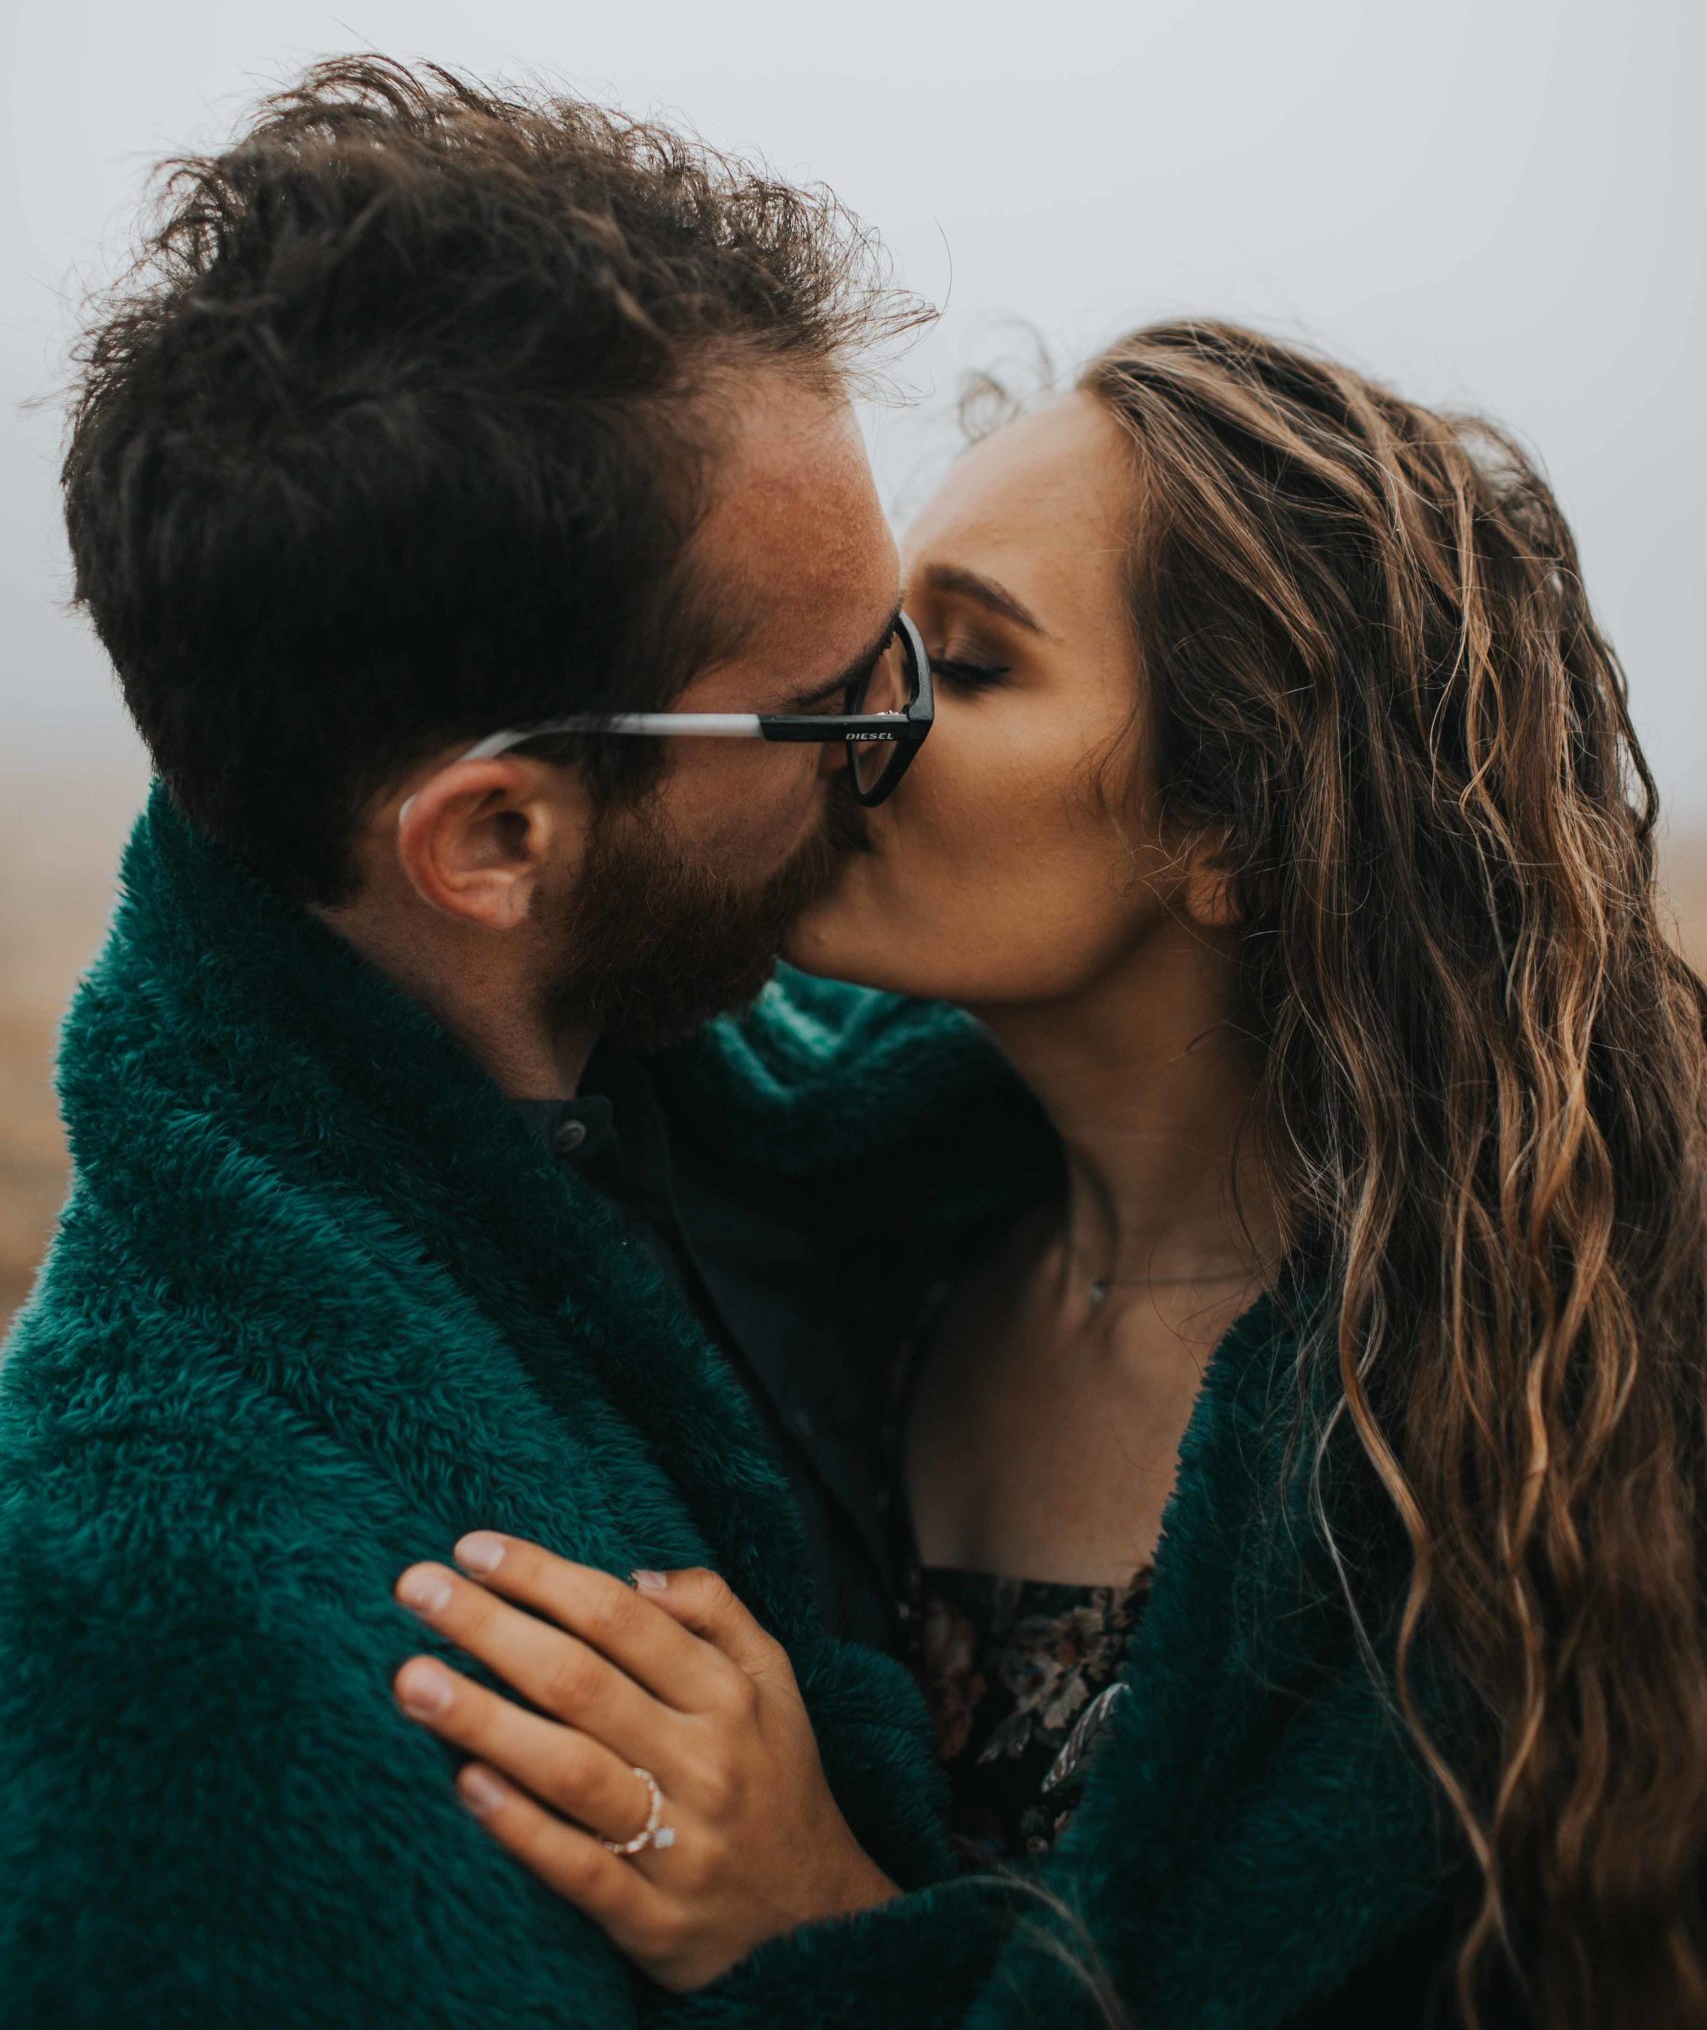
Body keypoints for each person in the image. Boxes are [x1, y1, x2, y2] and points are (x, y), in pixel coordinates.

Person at [390, 323, 1707, 2030]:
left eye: (967, 664)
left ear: (1235, 827)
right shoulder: (847, 1237)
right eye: (873, 643)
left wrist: (826, 1925)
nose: (842, 716)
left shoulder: (1545, 1429)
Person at [0, 58, 958, 2024]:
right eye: (832, 707)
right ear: (498, 836)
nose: (904, 750)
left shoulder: (834, 1102)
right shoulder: (181, 1631)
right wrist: (838, 1947)